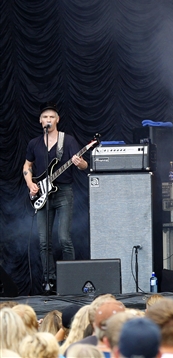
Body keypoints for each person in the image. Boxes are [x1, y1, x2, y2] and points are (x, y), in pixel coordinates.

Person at [23, 103, 89, 292]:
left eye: (52, 117)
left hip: (63, 193)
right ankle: (49, 279)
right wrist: (30, 184)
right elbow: (27, 166)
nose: (48, 120)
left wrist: (81, 163)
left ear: (57, 120)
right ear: (40, 121)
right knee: (44, 241)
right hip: (43, 195)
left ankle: (71, 277)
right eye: (45, 117)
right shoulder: (34, 143)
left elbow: (84, 166)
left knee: (64, 238)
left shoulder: (67, 141)